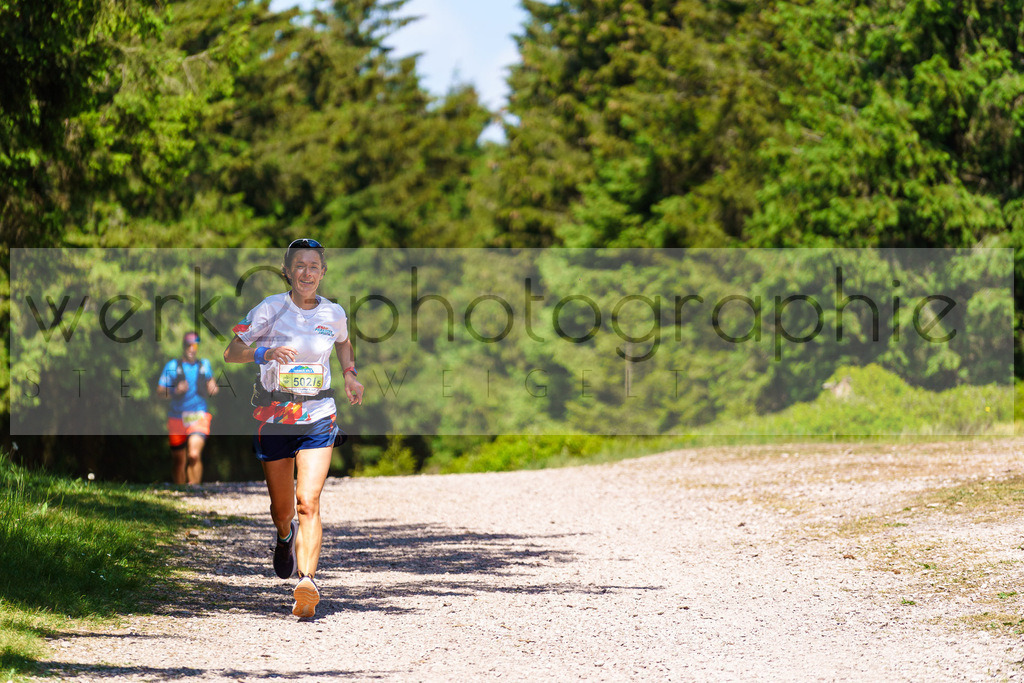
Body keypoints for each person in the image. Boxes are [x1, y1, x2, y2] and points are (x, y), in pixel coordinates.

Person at [224, 238, 364, 619]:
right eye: (299, 266)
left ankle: (308, 582)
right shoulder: (269, 309)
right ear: (287, 271)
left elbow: (344, 344)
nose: (307, 272)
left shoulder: (333, 313)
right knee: (283, 509)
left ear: (322, 272)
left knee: (309, 501)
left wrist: (350, 376)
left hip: (319, 414)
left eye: (314, 266)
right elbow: (231, 352)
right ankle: (284, 538)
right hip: (274, 417)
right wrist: (263, 352)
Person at [157, 331, 219, 485]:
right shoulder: (172, 366)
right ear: (183, 347)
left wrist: (213, 388)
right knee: (179, 460)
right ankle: (181, 492)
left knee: (193, 455)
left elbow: (213, 387)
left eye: (195, 345)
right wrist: (175, 391)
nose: (192, 349)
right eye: (188, 345)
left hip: (199, 415)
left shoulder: (204, 365)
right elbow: (160, 392)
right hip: (177, 417)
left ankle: (195, 490)